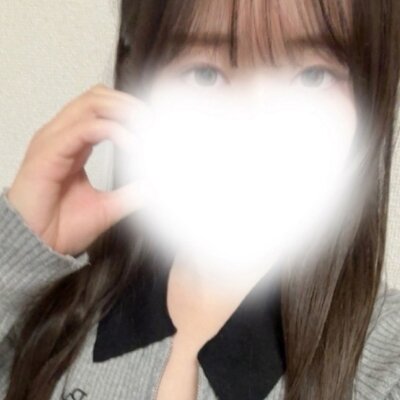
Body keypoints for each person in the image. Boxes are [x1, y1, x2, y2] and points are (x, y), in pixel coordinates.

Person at [1, 1, 400, 399]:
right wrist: (16, 250)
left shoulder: (385, 361)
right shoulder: (54, 311)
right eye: (205, 74)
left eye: (313, 76)